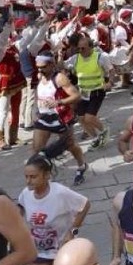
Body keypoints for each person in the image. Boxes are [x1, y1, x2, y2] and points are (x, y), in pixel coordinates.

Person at [18, 153, 90, 265]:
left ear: (46, 176)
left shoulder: (60, 193)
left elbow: (85, 205)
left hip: (62, 247)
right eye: (26, 177)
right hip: (38, 250)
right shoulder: (26, 193)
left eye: (33, 177)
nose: (28, 181)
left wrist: (72, 231)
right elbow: (20, 207)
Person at [32, 51, 87, 186]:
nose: (40, 70)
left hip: (60, 118)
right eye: (38, 67)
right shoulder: (40, 76)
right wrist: (36, 110)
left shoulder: (59, 78)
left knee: (70, 146)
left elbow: (76, 96)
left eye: (43, 67)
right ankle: (45, 177)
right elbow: (39, 95)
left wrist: (59, 102)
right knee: (37, 149)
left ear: (51, 65)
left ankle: (81, 166)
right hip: (44, 117)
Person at [65, 35, 114, 150]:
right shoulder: (76, 58)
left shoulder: (100, 57)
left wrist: (110, 83)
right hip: (83, 92)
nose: (81, 51)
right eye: (79, 48)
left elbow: (111, 70)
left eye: (83, 48)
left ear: (91, 47)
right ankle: (96, 138)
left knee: (89, 118)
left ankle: (104, 130)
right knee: (81, 119)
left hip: (97, 91)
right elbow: (62, 65)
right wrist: (58, 58)